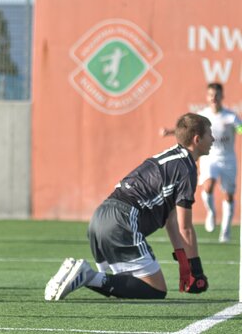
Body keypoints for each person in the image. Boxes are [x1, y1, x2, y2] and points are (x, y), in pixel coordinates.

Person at [45, 112, 213, 301]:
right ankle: (87, 275)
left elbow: (170, 219)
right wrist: (196, 270)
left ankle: (78, 274)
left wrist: (184, 263)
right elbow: (186, 228)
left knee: (123, 284)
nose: (213, 139)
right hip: (123, 219)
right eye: (210, 134)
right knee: (156, 290)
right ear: (197, 139)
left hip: (101, 216)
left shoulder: (171, 157)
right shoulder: (186, 168)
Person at [162, 83, 242, 242]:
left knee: (229, 196)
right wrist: (170, 131)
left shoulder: (230, 116)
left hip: (228, 160)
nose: (214, 98)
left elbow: (240, 129)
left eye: (217, 95)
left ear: (222, 96)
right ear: (207, 97)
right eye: (211, 95)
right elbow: (188, 130)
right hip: (209, 157)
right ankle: (211, 212)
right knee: (208, 185)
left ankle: (225, 231)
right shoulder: (203, 116)